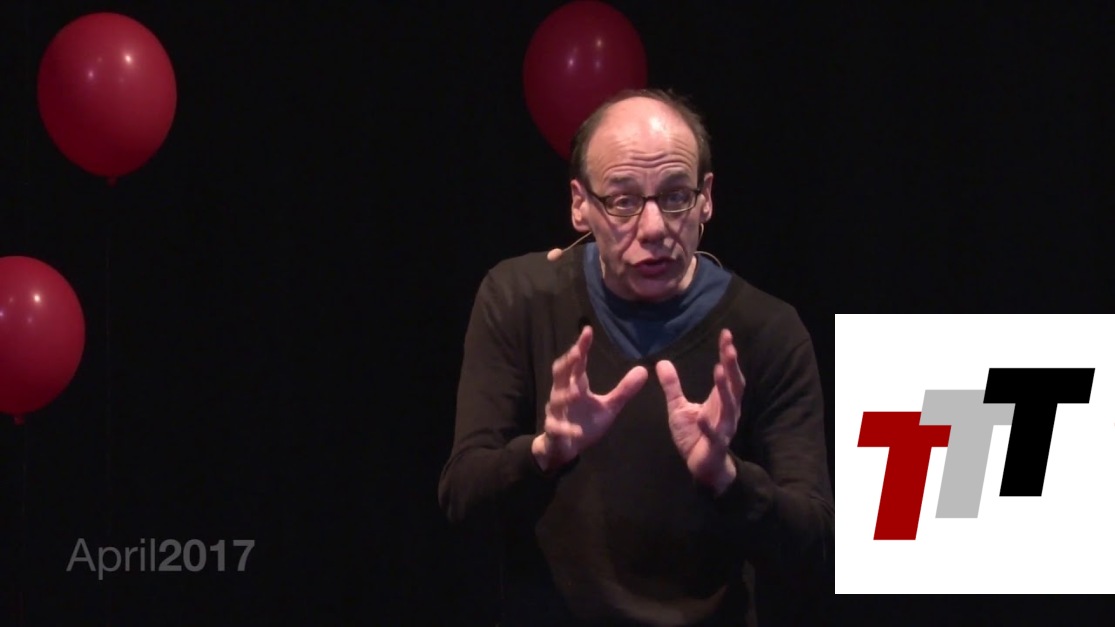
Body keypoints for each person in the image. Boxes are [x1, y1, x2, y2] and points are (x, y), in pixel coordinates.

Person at [438, 88, 833, 626]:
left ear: (706, 198)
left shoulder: (768, 330)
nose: (653, 228)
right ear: (580, 204)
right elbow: (462, 499)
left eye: (675, 197)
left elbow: (813, 543)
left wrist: (727, 478)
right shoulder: (519, 298)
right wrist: (544, 452)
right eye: (623, 201)